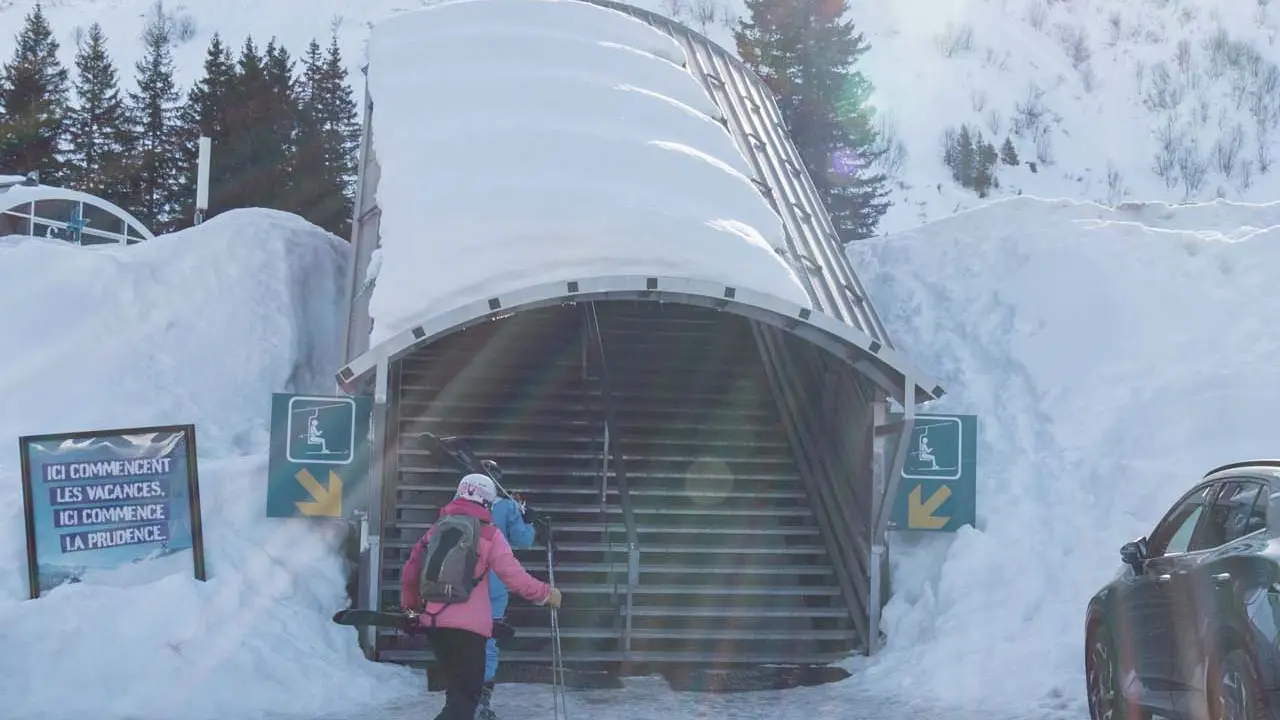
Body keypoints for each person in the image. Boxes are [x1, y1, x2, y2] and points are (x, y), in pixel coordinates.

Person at [401, 474, 563, 720]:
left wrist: (411, 610)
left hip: (435, 625)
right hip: (469, 630)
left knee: (457, 695)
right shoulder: (489, 534)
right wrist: (545, 593)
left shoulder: (436, 529)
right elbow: (514, 576)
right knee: (465, 701)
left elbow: (411, 571)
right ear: (488, 502)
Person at [477, 492, 539, 719]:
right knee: (489, 640)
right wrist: (529, 521)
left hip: (462, 583)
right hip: (494, 581)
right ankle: (482, 701)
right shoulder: (506, 506)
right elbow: (524, 539)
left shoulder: (459, 502)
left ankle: (460, 697)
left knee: (463, 638)